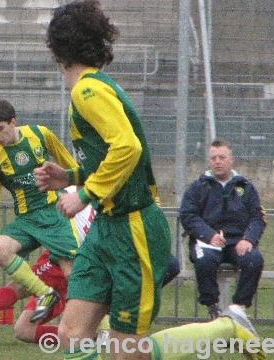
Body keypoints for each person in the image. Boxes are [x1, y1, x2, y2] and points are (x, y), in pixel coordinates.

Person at [35, 2, 172, 358]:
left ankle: (224, 328)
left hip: (134, 229)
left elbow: (128, 147)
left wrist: (85, 195)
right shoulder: (90, 88)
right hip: (106, 229)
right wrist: (70, 175)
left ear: (56, 48)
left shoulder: (87, 91)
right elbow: (110, 155)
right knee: (71, 334)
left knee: (125, 351)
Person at [0, 183, 182, 344]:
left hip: (82, 268)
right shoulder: (67, 196)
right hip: (63, 264)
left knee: (168, 266)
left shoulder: (104, 197)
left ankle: (101, 328)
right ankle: (93, 336)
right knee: (23, 330)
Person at [0, 99, 80, 324]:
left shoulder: (40, 134)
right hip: (26, 219)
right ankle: (46, 293)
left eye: (0, 128)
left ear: (13, 122)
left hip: (53, 215)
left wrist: (82, 193)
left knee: (73, 275)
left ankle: (102, 327)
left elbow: (68, 163)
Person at [180, 139, 266, 320]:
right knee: (204, 261)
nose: (217, 161)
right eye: (213, 158)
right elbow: (188, 215)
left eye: (222, 157)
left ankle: (238, 308)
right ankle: (212, 306)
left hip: (237, 242)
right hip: (207, 243)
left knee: (254, 260)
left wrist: (248, 239)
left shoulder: (245, 186)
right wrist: (209, 235)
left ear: (231, 160)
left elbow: (258, 217)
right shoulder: (198, 186)